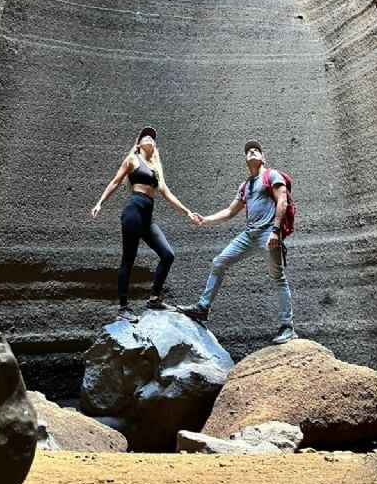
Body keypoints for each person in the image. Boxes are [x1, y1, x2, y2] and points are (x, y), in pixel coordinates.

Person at [180, 140, 296, 344]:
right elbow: (229, 212)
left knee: (278, 277)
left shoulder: (272, 176)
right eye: (248, 151)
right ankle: (202, 307)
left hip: (268, 234)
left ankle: (288, 327)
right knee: (219, 262)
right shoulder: (245, 186)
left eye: (256, 150)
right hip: (249, 236)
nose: (252, 151)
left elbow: (282, 201)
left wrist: (275, 231)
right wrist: (205, 220)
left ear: (263, 158)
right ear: (245, 160)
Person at [91, 126, 200, 323]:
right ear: (138, 143)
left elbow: (167, 194)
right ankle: (123, 308)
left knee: (167, 255)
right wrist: (100, 203)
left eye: (152, 138)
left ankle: (154, 299)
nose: (149, 138)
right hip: (133, 211)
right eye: (145, 137)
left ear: (155, 145)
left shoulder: (156, 169)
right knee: (128, 259)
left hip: (147, 217)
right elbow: (115, 181)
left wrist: (188, 212)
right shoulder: (133, 160)